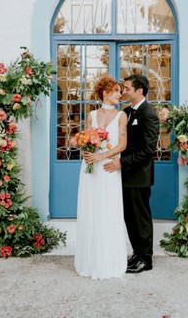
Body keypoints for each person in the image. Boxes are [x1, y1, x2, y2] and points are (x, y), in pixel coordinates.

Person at [104, 74, 160, 274]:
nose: (123, 91)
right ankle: (137, 253)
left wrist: (122, 162)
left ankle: (146, 260)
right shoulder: (127, 112)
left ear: (139, 91)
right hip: (125, 176)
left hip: (139, 177)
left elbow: (148, 150)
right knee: (130, 218)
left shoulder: (149, 113)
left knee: (140, 220)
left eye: (127, 88)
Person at [74, 75, 128, 280]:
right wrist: (85, 151)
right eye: (116, 91)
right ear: (105, 92)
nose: (120, 94)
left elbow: (122, 145)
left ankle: (108, 261)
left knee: (107, 209)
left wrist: (102, 156)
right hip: (90, 168)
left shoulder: (121, 115)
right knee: (91, 208)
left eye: (120, 91)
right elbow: (86, 138)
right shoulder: (92, 115)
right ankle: (90, 260)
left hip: (108, 167)